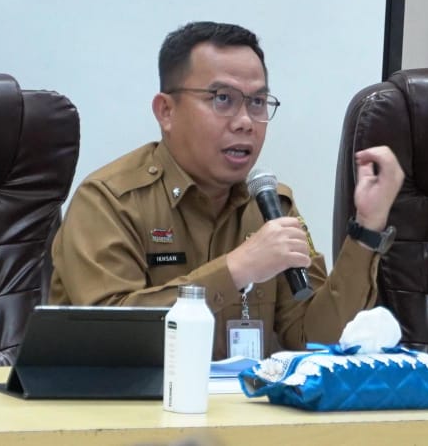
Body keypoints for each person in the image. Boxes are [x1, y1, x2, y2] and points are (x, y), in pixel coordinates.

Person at [49, 21, 405, 359]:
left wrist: (366, 229)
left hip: (241, 402)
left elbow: (316, 340)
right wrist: (236, 270)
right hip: (130, 402)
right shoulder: (109, 201)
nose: (245, 122)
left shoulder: (271, 205)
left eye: (257, 102)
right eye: (222, 99)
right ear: (166, 111)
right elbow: (108, 336)